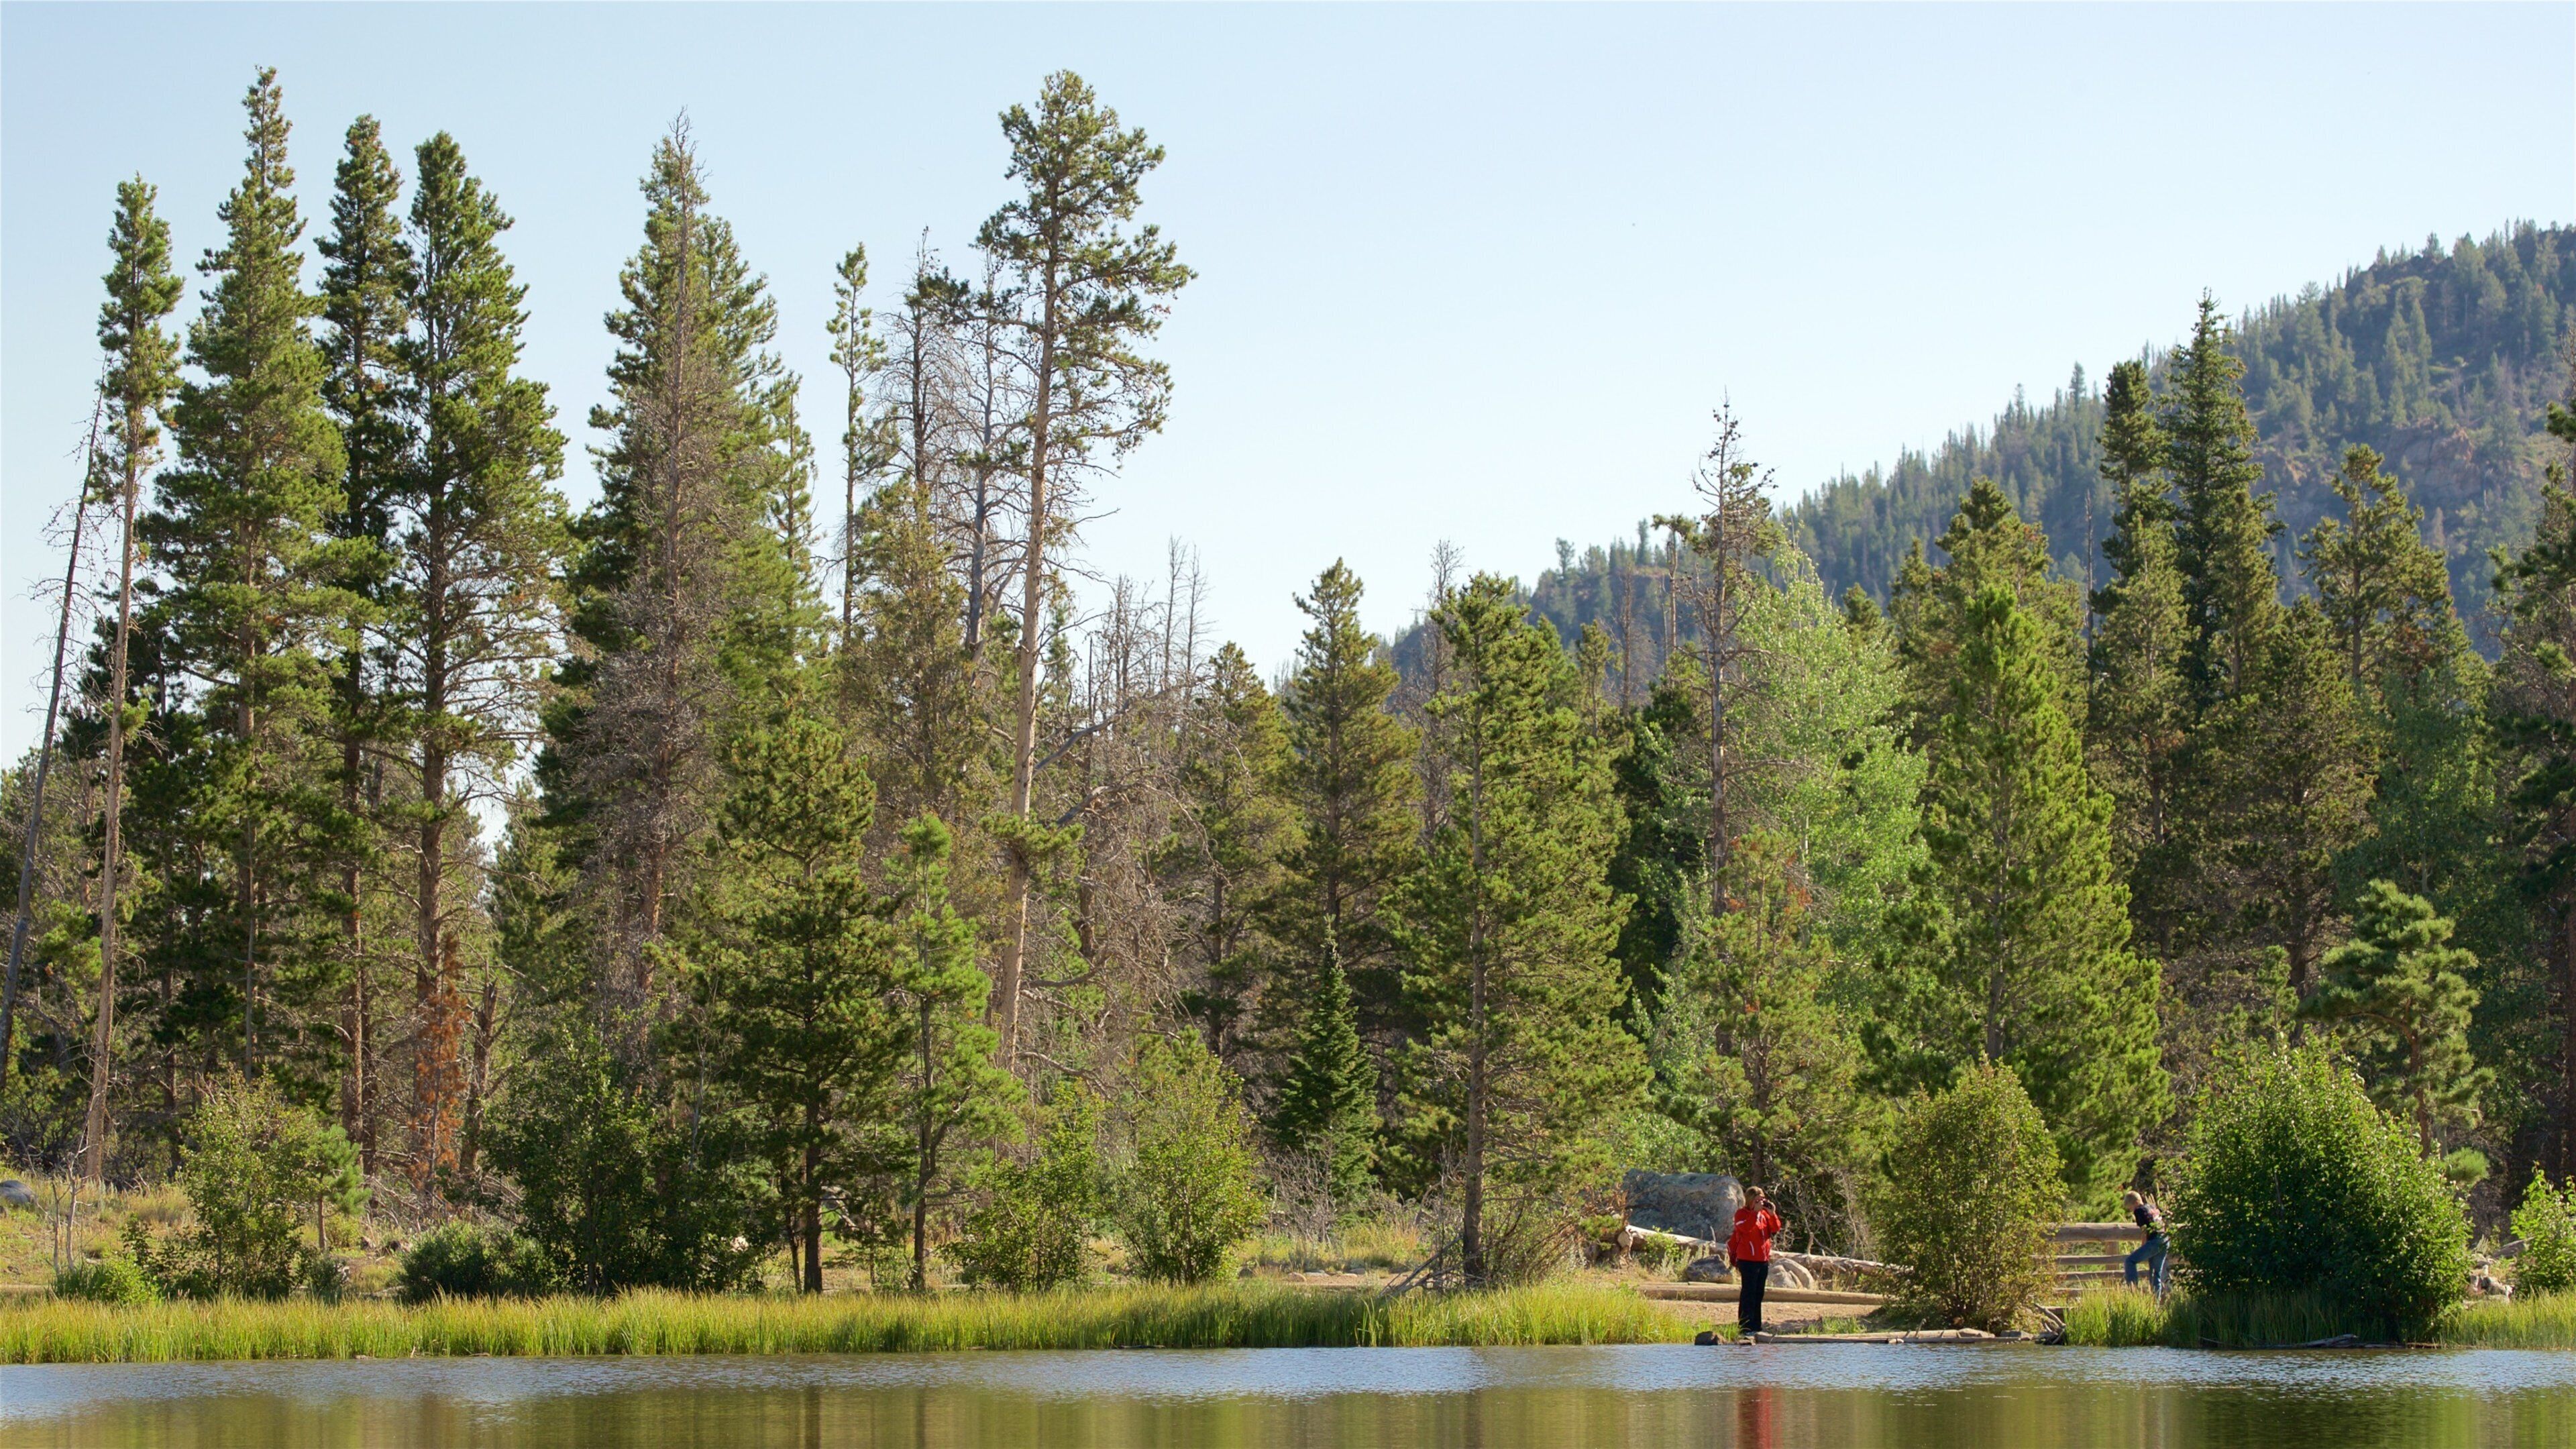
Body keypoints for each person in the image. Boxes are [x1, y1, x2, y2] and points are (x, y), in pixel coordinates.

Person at [1728, 1186, 1785, 1338]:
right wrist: (1755, 1213)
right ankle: (1745, 1327)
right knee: (1748, 1292)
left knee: (1758, 1294)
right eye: (1758, 1200)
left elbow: (1775, 1229)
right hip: (1747, 1260)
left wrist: (1772, 1214)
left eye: (1763, 1200)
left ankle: (1756, 1326)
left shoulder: (1765, 1216)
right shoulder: (1742, 1214)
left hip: (1762, 1260)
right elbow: (1745, 1229)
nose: (1761, 1203)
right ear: (1751, 1200)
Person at [2122, 1189, 2168, 1295]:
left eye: (2130, 1207)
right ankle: (2155, 1305)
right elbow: (2164, 1217)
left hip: (2154, 1241)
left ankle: (2133, 1292)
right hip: (2165, 1240)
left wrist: (2143, 1246)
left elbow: (2144, 1230)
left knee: (2130, 1261)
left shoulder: (2139, 1210)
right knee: (2155, 1274)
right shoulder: (2152, 1207)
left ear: (2135, 1203)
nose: (2131, 1210)